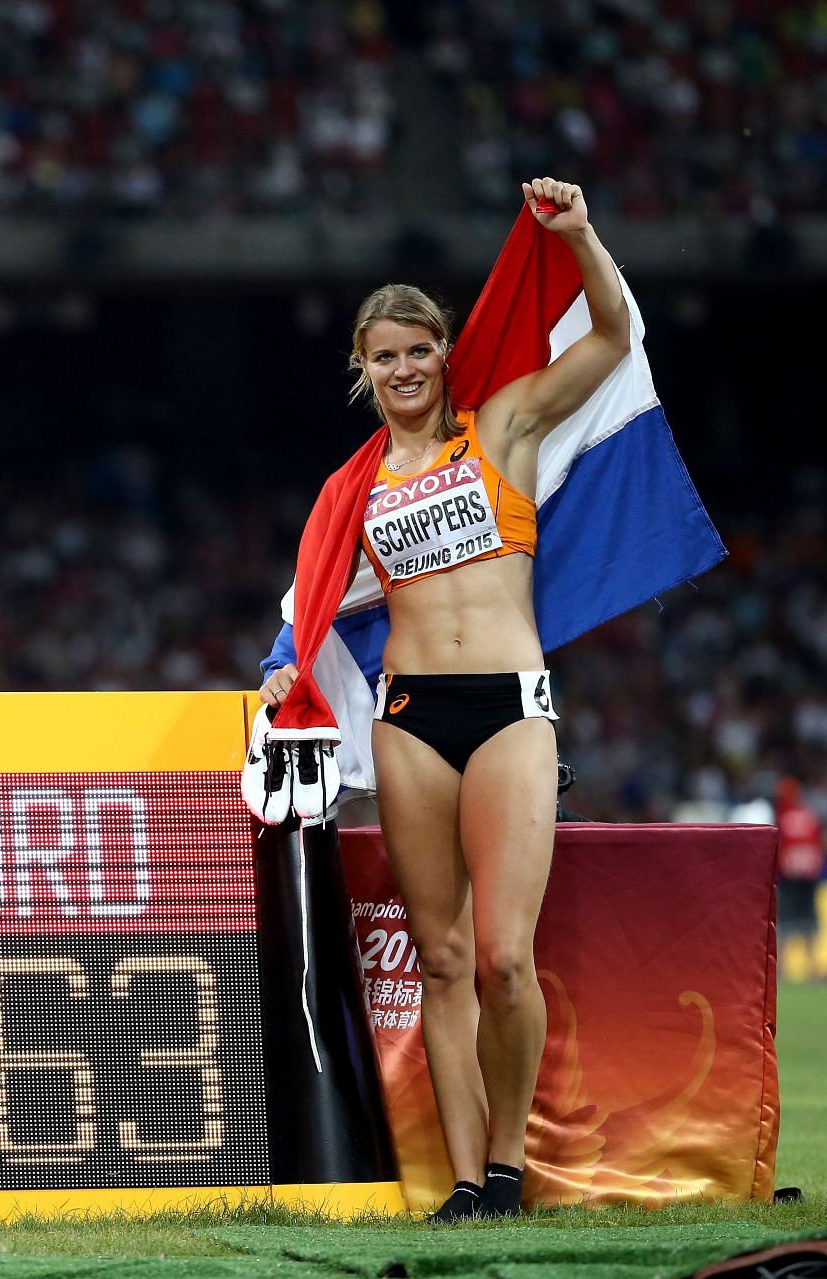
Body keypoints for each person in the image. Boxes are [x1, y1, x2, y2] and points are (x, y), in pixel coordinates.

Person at [258, 178, 630, 1219]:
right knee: (445, 957)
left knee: (508, 959)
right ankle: (470, 1185)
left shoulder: (501, 426)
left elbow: (608, 337)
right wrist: (288, 664)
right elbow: (318, 599)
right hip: (412, 716)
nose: (406, 367)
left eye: (420, 348)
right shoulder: (354, 490)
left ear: (443, 353)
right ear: (362, 370)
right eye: (385, 354)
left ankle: (510, 1162)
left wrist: (582, 235)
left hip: (510, 704)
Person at [775, 777, 823, 981]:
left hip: (788, 875)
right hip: (808, 874)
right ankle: (813, 967)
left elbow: (777, 846)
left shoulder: (782, 816)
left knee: (785, 922)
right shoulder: (810, 815)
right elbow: (819, 844)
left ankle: (781, 969)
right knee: (809, 921)